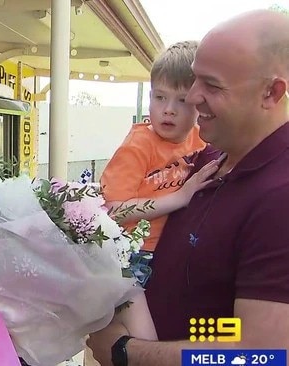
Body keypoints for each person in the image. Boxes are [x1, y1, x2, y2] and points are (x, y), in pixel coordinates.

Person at [88, 9, 289, 366]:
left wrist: (127, 351)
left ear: (271, 92)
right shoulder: (204, 159)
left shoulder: (280, 196)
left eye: (212, 85)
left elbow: (264, 354)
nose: (193, 98)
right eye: (194, 80)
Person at [100, 41, 220, 341]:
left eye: (182, 100)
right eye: (160, 97)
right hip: (133, 256)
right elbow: (115, 209)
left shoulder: (202, 143)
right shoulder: (138, 145)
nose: (168, 110)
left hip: (173, 254)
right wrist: (179, 197)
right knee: (145, 343)